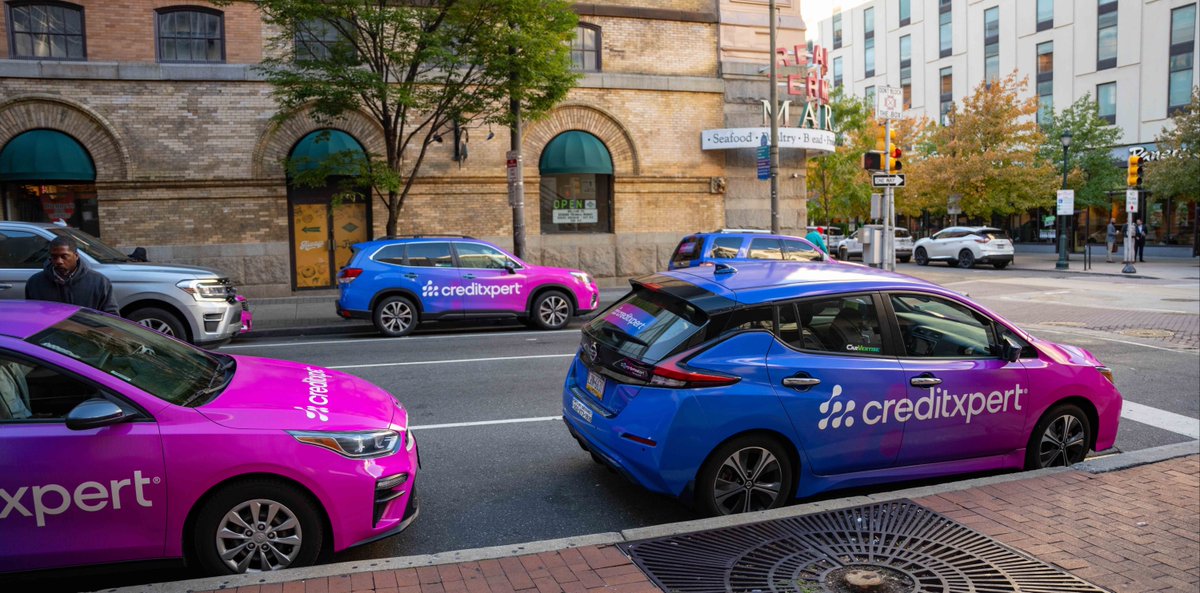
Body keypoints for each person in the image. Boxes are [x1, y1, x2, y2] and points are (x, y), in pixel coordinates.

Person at [25, 235, 119, 314]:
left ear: (76, 256)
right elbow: (32, 315)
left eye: (64, 256)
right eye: (54, 257)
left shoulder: (99, 282)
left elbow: (111, 317)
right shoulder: (35, 282)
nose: (59, 261)